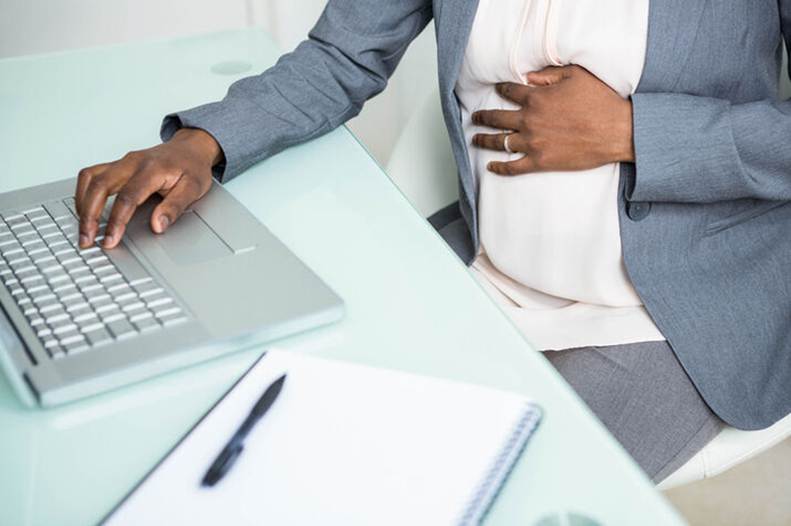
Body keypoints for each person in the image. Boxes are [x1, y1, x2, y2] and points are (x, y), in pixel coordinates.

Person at [74, 0, 791, 482]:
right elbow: (341, 57)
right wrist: (203, 144)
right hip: (482, 271)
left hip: (679, 305)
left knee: (496, 493)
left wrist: (636, 131)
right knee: (308, 460)